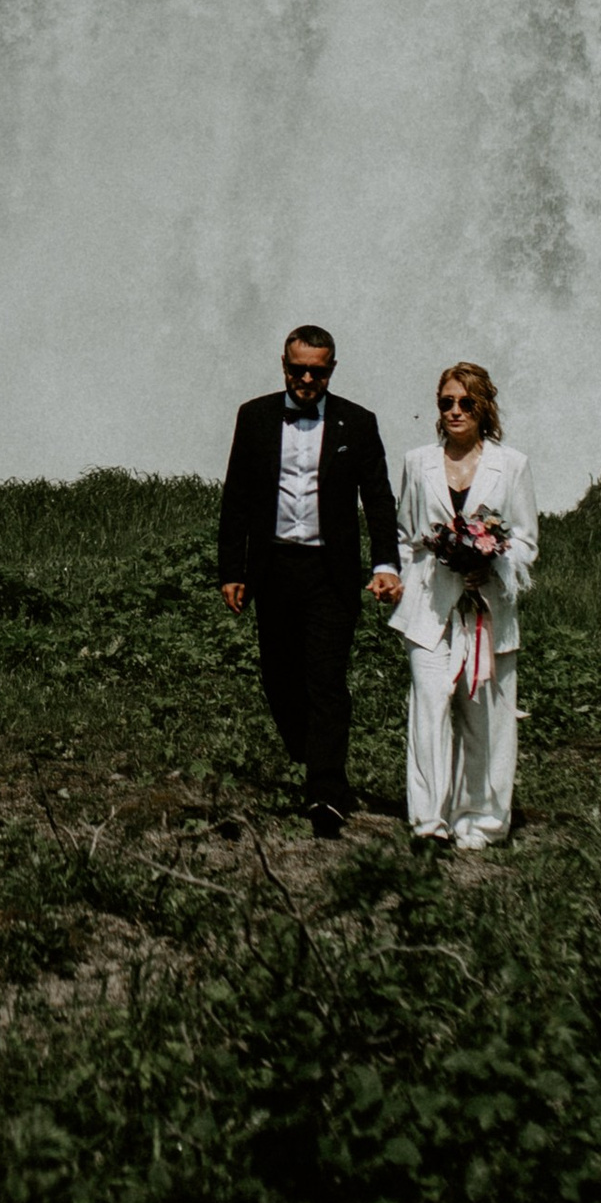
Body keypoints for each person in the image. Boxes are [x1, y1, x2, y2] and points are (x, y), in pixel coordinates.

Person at [217, 326, 403, 840]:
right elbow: (236, 497)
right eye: (297, 369)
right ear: (283, 364)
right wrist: (231, 568)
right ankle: (309, 749)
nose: (305, 379)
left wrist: (386, 563)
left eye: (316, 371)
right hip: (273, 567)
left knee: (325, 680)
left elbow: (380, 501)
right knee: (279, 676)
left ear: (332, 370)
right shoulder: (253, 417)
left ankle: (326, 790)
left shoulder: (358, 423)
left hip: (330, 572)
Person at [393, 361, 538, 849]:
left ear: (484, 408)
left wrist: (491, 562)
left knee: (486, 718)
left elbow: (525, 541)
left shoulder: (511, 465)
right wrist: (401, 578)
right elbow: (406, 538)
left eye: (466, 403)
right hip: (430, 608)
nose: (455, 411)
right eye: (446, 402)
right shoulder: (418, 462)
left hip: (487, 609)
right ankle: (429, 820)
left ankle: (482, 819)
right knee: (429, 708)